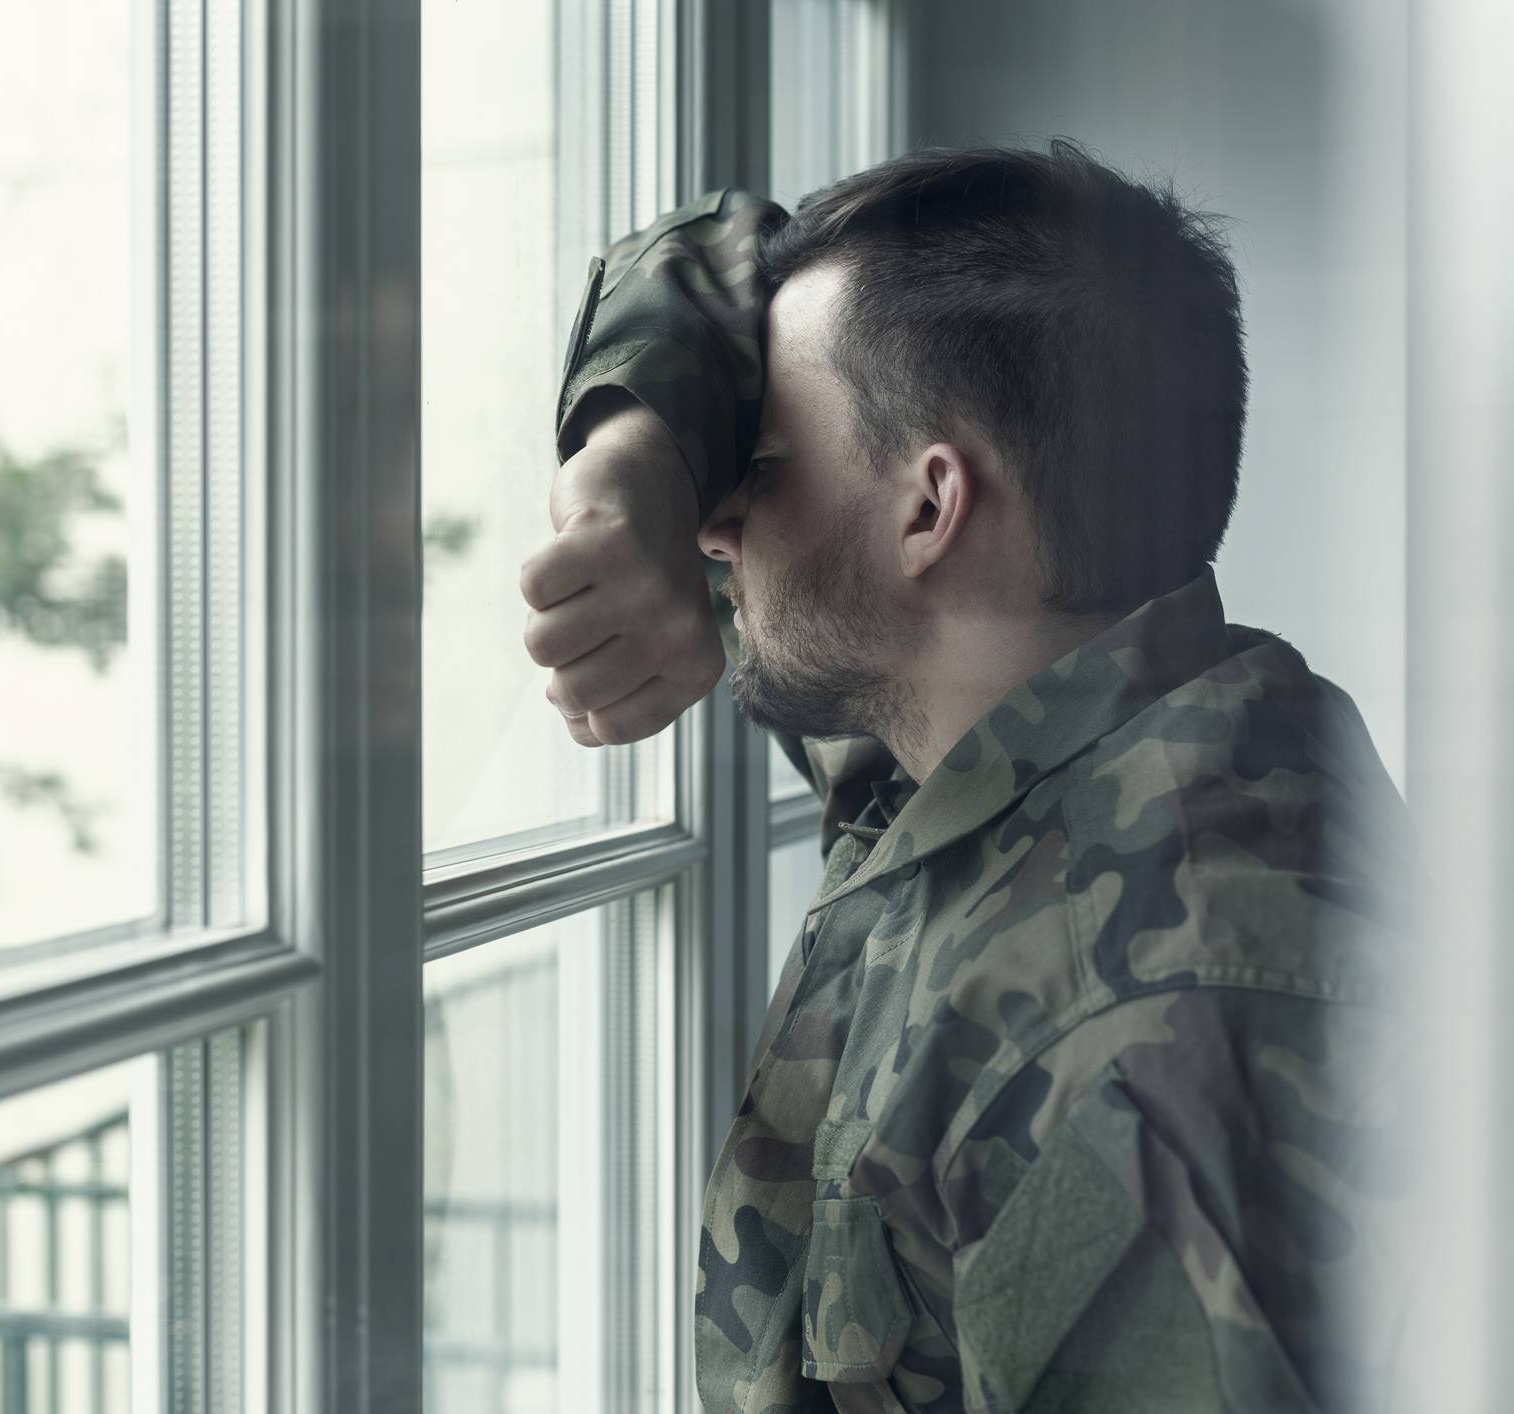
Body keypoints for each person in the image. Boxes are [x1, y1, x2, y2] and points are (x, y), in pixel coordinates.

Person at [520, 140, 1427, 1414]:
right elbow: (711, 248)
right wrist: (629, 467)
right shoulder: (1006, 747)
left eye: (760, 465)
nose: (717, 527)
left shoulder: (1138, 1018)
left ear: (929, 508)